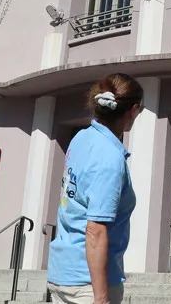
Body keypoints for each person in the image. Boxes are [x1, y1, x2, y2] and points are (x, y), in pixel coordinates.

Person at [47, 74, 144, 304]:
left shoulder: (81, 138)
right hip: (88, 283)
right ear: (134, 110)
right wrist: (101, 298)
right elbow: (95, 230)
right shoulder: (109, 159)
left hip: (62, 271)